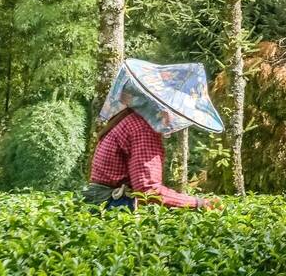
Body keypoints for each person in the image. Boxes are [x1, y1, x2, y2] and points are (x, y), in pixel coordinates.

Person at [84, 59, 225, 210]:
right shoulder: (143, 128)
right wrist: (199, 203)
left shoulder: (128, 118)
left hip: (101, 201)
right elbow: (148, 191)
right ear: (162, 106)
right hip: (113, 204)